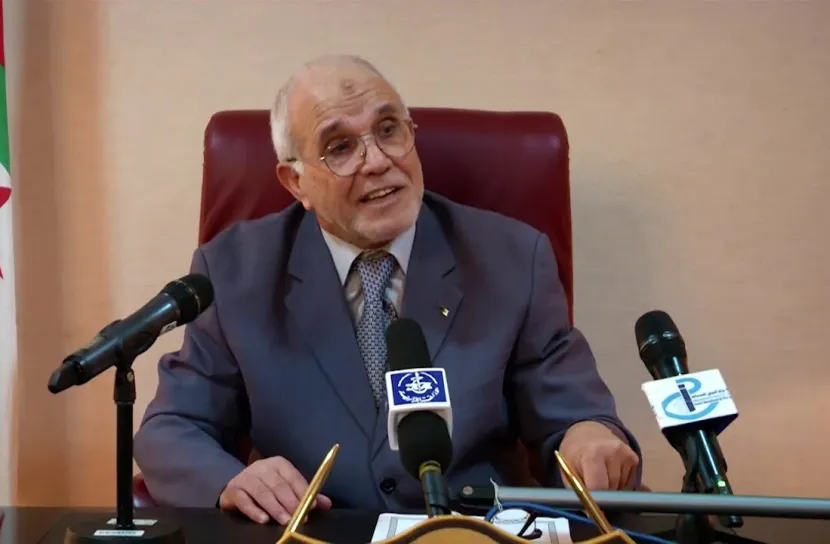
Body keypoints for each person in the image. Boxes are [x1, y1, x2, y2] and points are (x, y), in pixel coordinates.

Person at [134, 54, 642, 525]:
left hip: (469, 530)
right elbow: (173, 427)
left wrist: (589, 439)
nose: (377, 161)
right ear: (295, 183)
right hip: (318, 531)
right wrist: (230, 480)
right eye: (340, 147)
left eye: (388, 130)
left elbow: (572, 413)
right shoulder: (235, 271)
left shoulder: (511, 258)